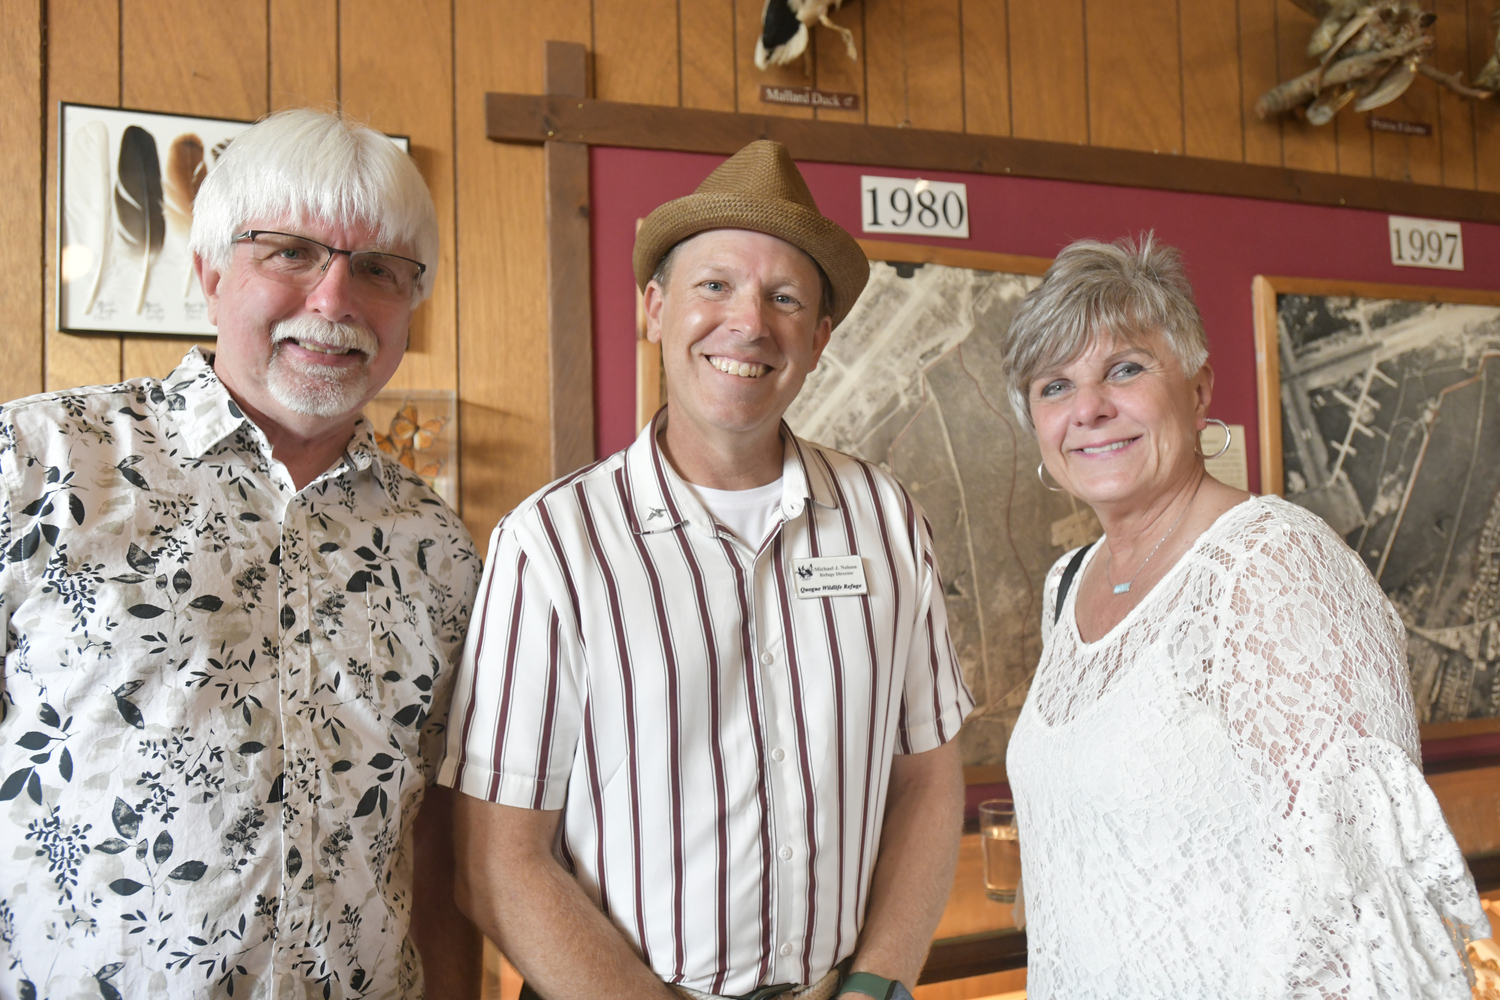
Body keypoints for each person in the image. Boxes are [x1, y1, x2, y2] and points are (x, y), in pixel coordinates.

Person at [441, 140, 973, 1000]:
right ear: (655, 308)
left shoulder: (884, 519)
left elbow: (926, 780)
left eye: (786, 298)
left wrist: (878, 985)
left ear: (820, 338)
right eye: (715, 285)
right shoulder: (550, 544)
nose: (750, 323)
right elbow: (497, 864)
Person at [0, 108, 481, 998]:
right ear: (210, 271)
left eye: (378, 269)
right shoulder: (40, 465)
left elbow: (435, 837)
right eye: (290, 252)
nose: (334, 301)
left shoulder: (439, 550)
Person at [1002, 234, 1487, 998]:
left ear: (1198, 390)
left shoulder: (1273, 563)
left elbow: (1361, 912)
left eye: (1124, 369)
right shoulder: (1068, 583)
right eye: (1054, 386)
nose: (1089, 409)